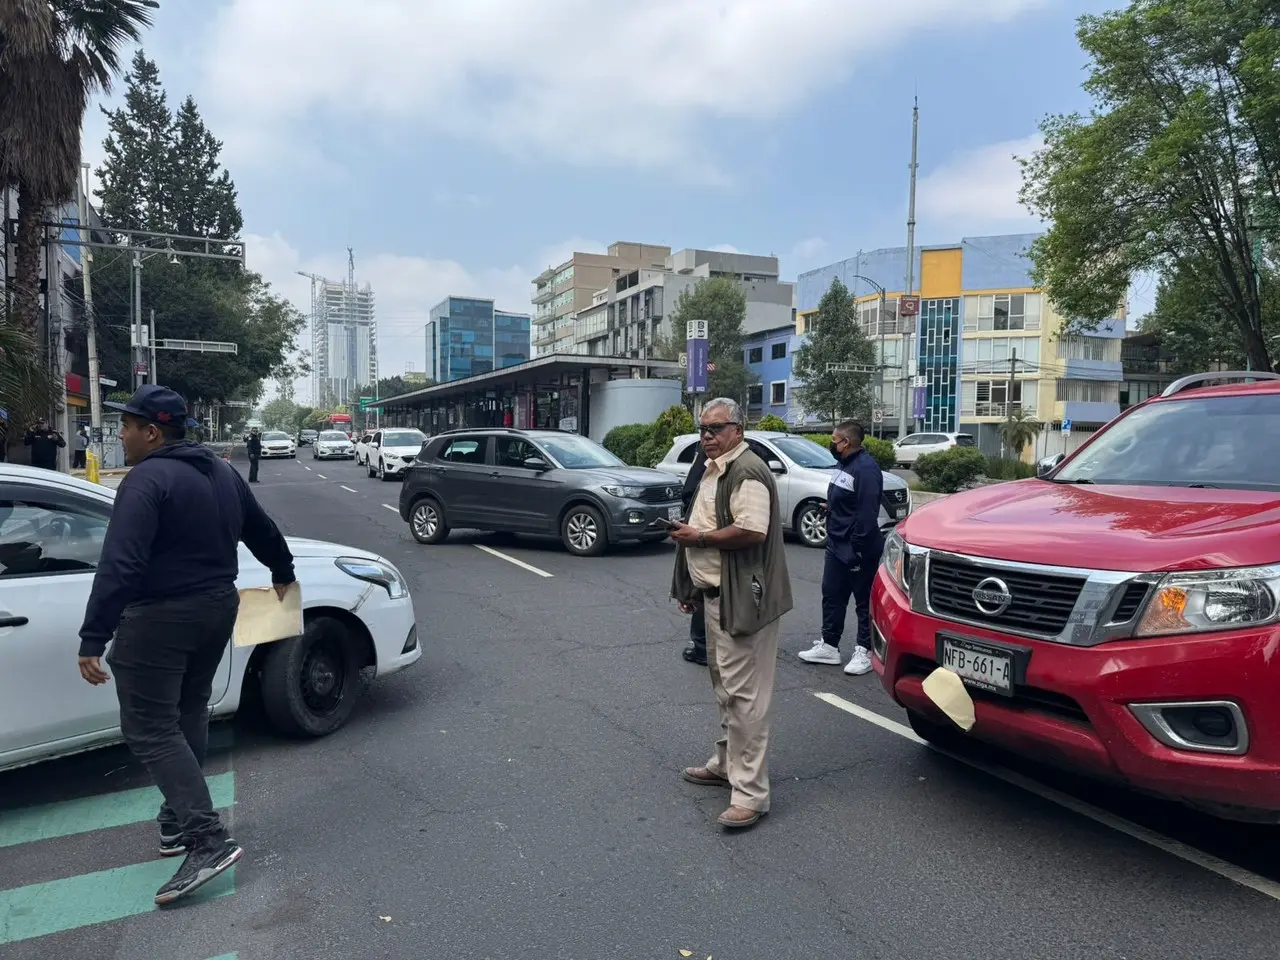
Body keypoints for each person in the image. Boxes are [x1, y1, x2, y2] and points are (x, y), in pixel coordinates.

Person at [76, 385, 296, 906]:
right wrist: (282, 572)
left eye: (126, 426)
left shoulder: (146, 480)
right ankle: (176, 822)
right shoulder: (219, 472)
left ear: (152, 432)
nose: (121, 435)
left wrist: (93, 636)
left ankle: (206, 839)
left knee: (150, 728)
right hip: (216, 609)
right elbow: (261, 529)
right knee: (188, 709)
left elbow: (121, 564)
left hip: (160, 619)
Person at [669, 397, 793, 830]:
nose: (707, 437)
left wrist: (699, 539)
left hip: (744, 600)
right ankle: (726, 765)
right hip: (717, 596)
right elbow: (700, 524)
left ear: (738, 429)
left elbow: (750, 531)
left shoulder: (747, 470)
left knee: (745, 698)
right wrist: (691, 587)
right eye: (703, 429)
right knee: (727, 691)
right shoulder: (714, 467)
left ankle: (751, 794)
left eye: (716, 429)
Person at [797, 420, 884, 676]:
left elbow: (867, 514)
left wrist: (857, 547)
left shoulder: (866, 469)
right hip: (836, 543)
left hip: (858, 548)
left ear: (846, 442)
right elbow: (847, 502)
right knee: (832, 594)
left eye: (834, 440)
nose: (831, 444)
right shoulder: (842, 464)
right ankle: (829, 645)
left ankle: (864, 650)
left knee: (863, 601)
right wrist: (831, 509)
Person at [680, 445, 709, 666]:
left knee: (702, 590)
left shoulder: (708, 458)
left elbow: (688, 490)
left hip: (702, 533)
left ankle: (701, 647)